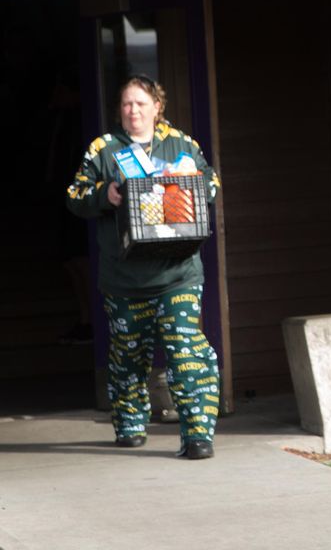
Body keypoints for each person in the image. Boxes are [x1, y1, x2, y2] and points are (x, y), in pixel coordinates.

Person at [65, 74, 221, 460]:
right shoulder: (104, 149)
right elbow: (75, 196)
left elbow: (212, 185)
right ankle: (131, 425)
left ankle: (199, 435)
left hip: (178, 273)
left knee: (186, 351)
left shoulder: (182, 145)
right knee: (128, 357)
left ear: (157, 107)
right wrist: (106, 193)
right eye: (126, 104)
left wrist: (187, 183)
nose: (132, 111)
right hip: (124, 278)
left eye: (140, 103)